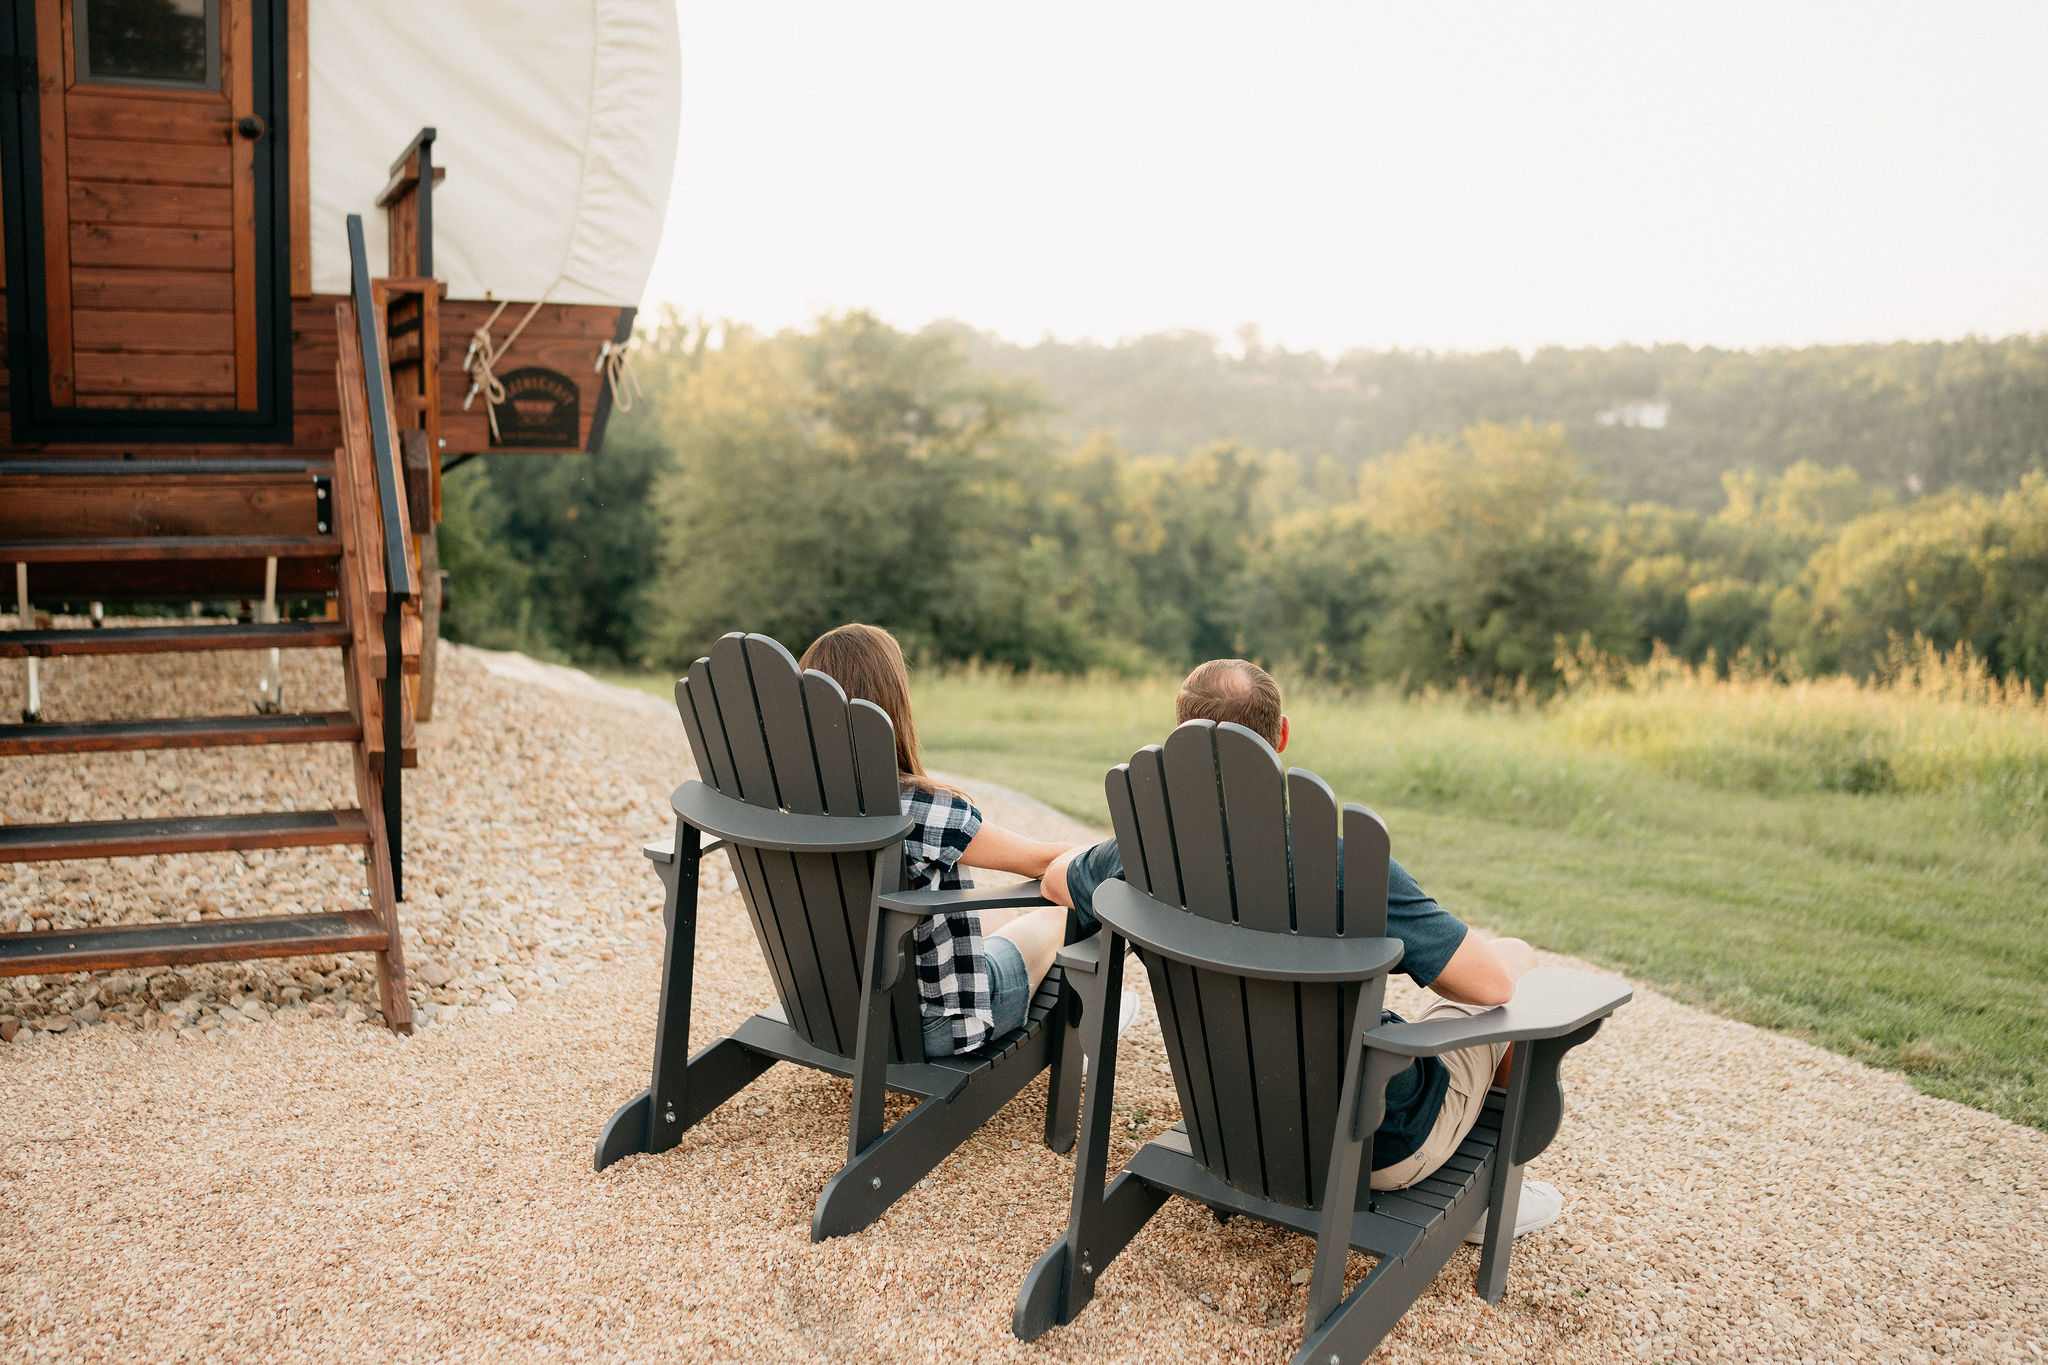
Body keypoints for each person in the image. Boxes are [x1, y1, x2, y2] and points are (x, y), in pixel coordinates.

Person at [1041, 658, 1562, 1241]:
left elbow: (1059, 879)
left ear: (1178, 734)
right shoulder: (1347, 867)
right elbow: (1490, 988)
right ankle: (1491, 1198)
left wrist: (1069, 859)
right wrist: (1510, 959)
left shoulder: (1145, 853)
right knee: (1514, 965)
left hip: (1226, 1124)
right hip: (1378, 1145)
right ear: (1280, 735)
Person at [799, 624, 1136, 1060]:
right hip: (928, 1026)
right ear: (893, 702)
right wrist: (1094, 859)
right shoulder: (922, 808)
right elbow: (1045, 863)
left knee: (998, 912)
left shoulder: (786, 801)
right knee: (1058, 905)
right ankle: (1093, 1013)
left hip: (824, 1009)